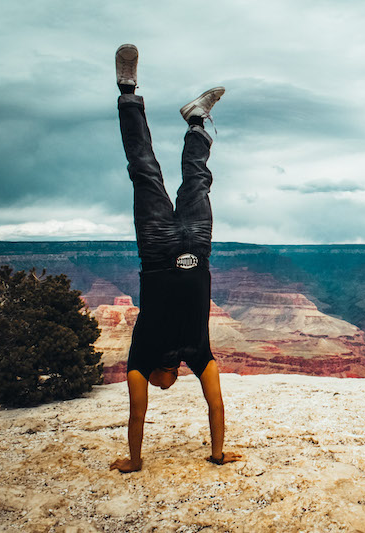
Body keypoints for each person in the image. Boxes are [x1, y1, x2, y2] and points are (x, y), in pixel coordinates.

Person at [109, 43, 241, 473]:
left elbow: (135, 415)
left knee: (144, 170)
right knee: (199, 182)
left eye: (163, 385)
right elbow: (217, 408)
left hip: (155, 244)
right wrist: (218, 455)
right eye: (174, 382)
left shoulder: (140, 360)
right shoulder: (198, 354)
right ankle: (196, 120)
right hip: (196, 246)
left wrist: (134, 460)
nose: (172, 383)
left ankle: (127, 90)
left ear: (152, 379)